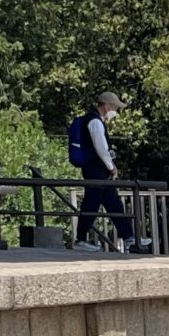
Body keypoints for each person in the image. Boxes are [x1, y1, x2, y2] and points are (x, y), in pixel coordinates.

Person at [68, 90, 134, 252]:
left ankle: (129, 238)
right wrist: (111, 167)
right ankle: (81, 239)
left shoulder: (93, 120)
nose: (116, 111)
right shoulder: (94, 122)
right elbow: (101, 148)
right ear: (106, 105)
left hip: (96, 169)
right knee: (92, 203)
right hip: (96, 169)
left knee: (113, 203)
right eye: (115, 107)